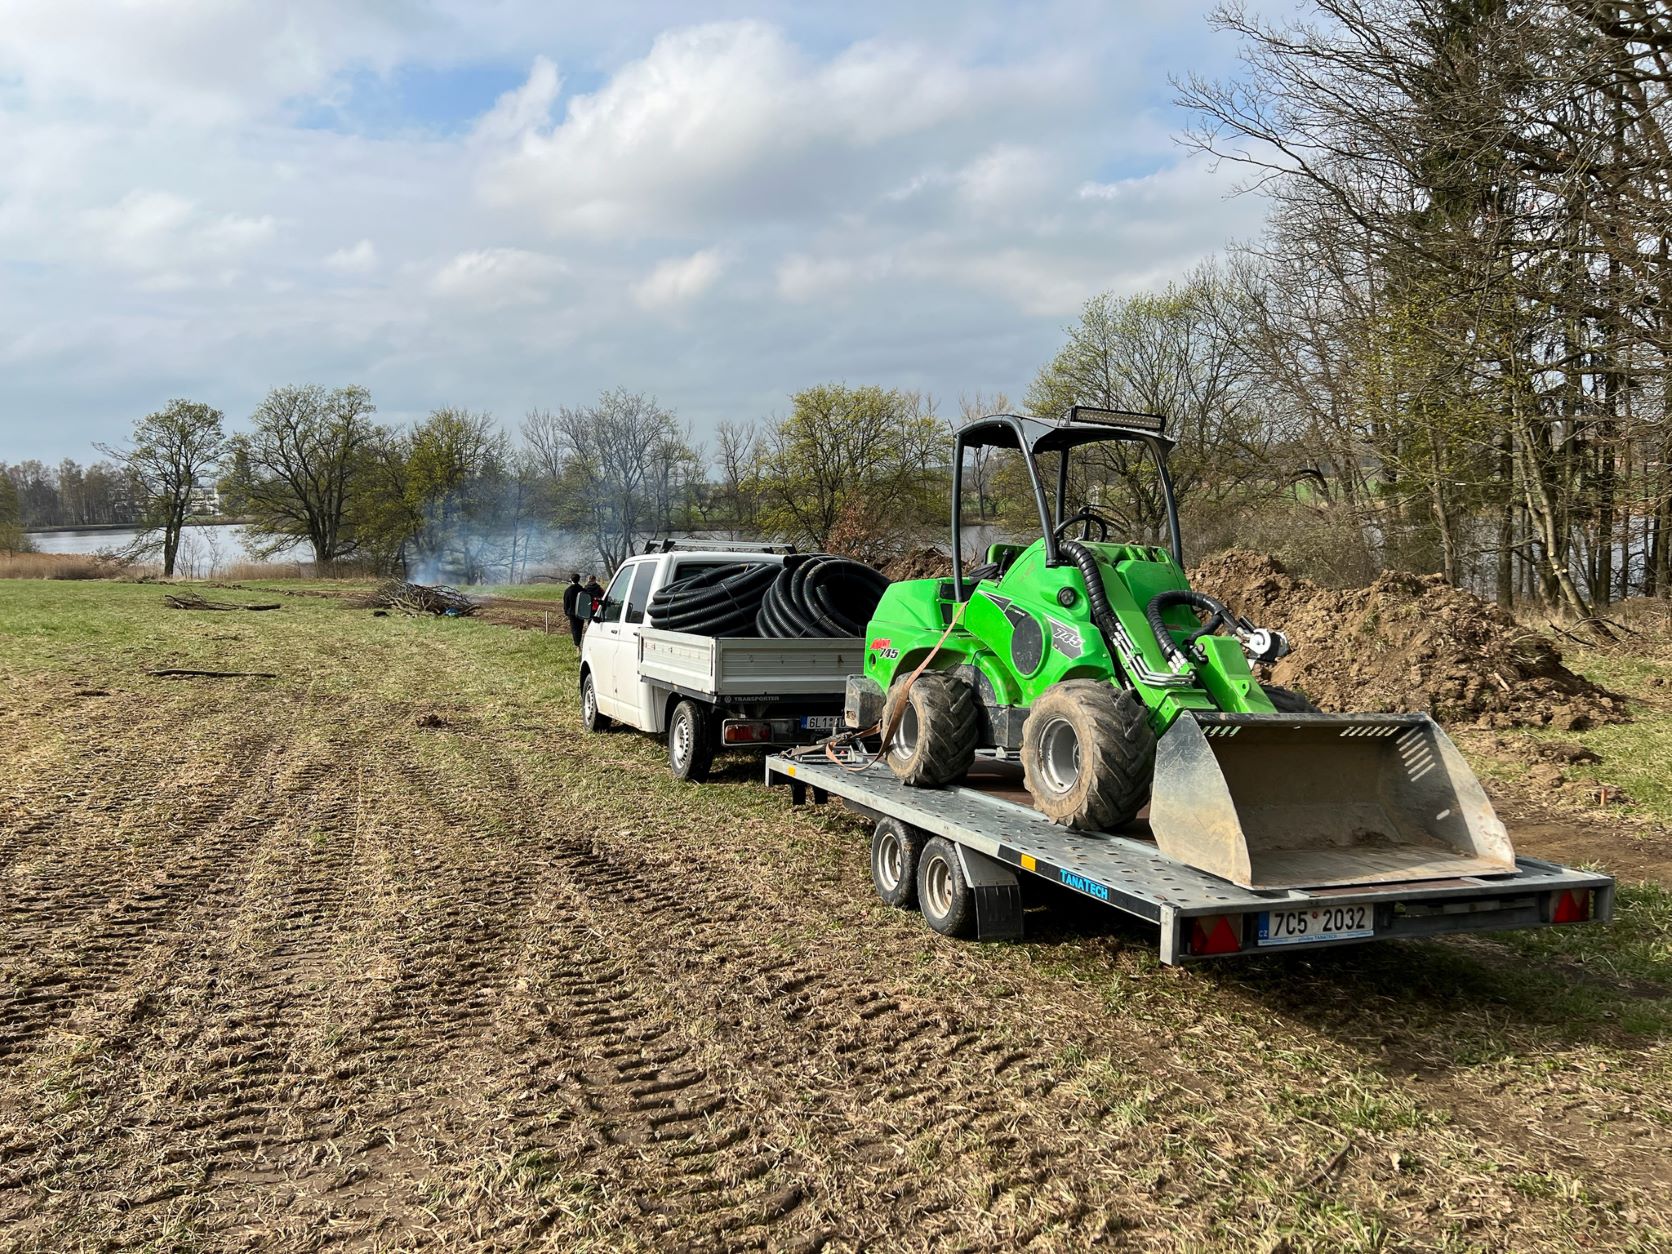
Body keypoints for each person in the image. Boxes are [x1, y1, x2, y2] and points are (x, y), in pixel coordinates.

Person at [561, 572, 585, 646]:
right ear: (579, 580)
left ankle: (577, 644)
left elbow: (566, 602)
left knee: (574, 628)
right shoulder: (582, 589)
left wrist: (566, 612)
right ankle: (579, 641)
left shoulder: (568, 590)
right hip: (581, 612)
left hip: (572, 612)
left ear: (571, 580)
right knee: (580, 628)